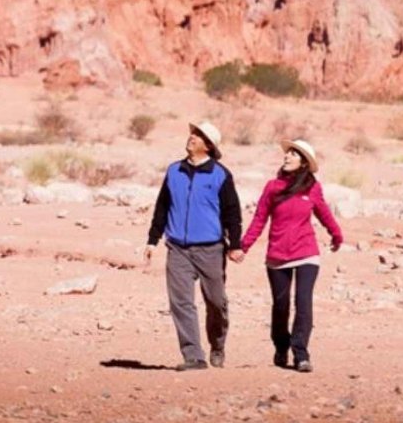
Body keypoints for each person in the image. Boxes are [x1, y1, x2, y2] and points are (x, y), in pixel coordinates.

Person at [235, 138, 344, 373]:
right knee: (280, 306)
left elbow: (324, 213)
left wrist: (336, 235)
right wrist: (243, 246)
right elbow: (259, 219)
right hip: (277, 255)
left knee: (303, 303)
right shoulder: (272, 187)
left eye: (294, 154)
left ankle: (301, 354)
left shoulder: (313, 188)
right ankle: (281, 346)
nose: (287, 156)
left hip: (306, 254)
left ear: (304, 162)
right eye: (288, 153)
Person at [145, 120, 242, 370]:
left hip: (211, 249)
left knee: (216, 303)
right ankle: (194, 356)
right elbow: (162, 206)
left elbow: (232, 213)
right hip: (177, 248)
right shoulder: (173, 171)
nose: (192, 137)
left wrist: (235, 245)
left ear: (208, 146)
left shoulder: (220, 174)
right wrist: (152, 240)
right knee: (180, 302)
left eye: (199, 136)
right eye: (193, 133)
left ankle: (217, 345)